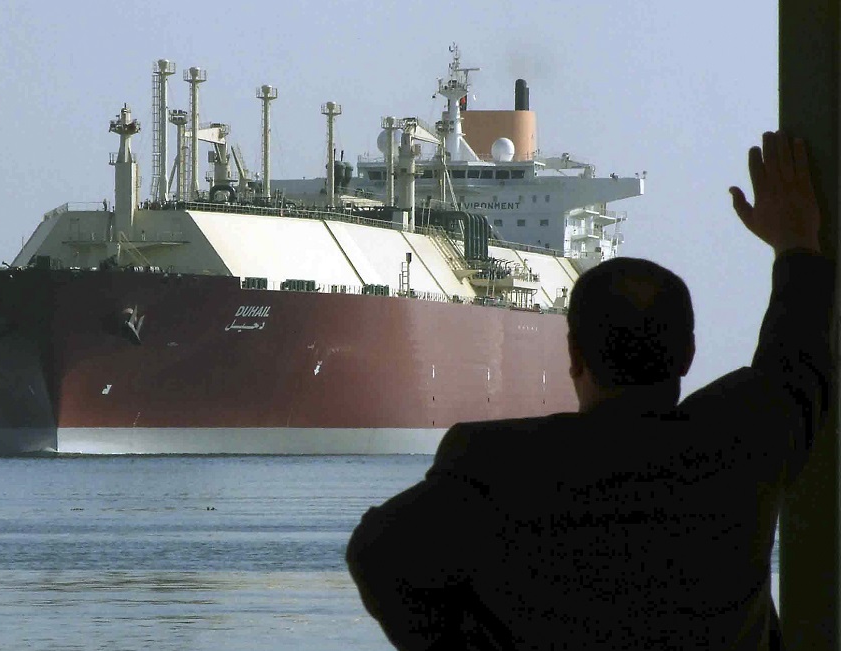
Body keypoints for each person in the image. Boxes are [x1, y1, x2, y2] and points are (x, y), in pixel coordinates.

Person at [346, 131, 831, 650]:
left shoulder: (495, 463)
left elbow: (375, 553)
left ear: (573, 355)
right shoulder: (741, 439)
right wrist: (796, 244)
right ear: (689, 353)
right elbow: (796, 353)